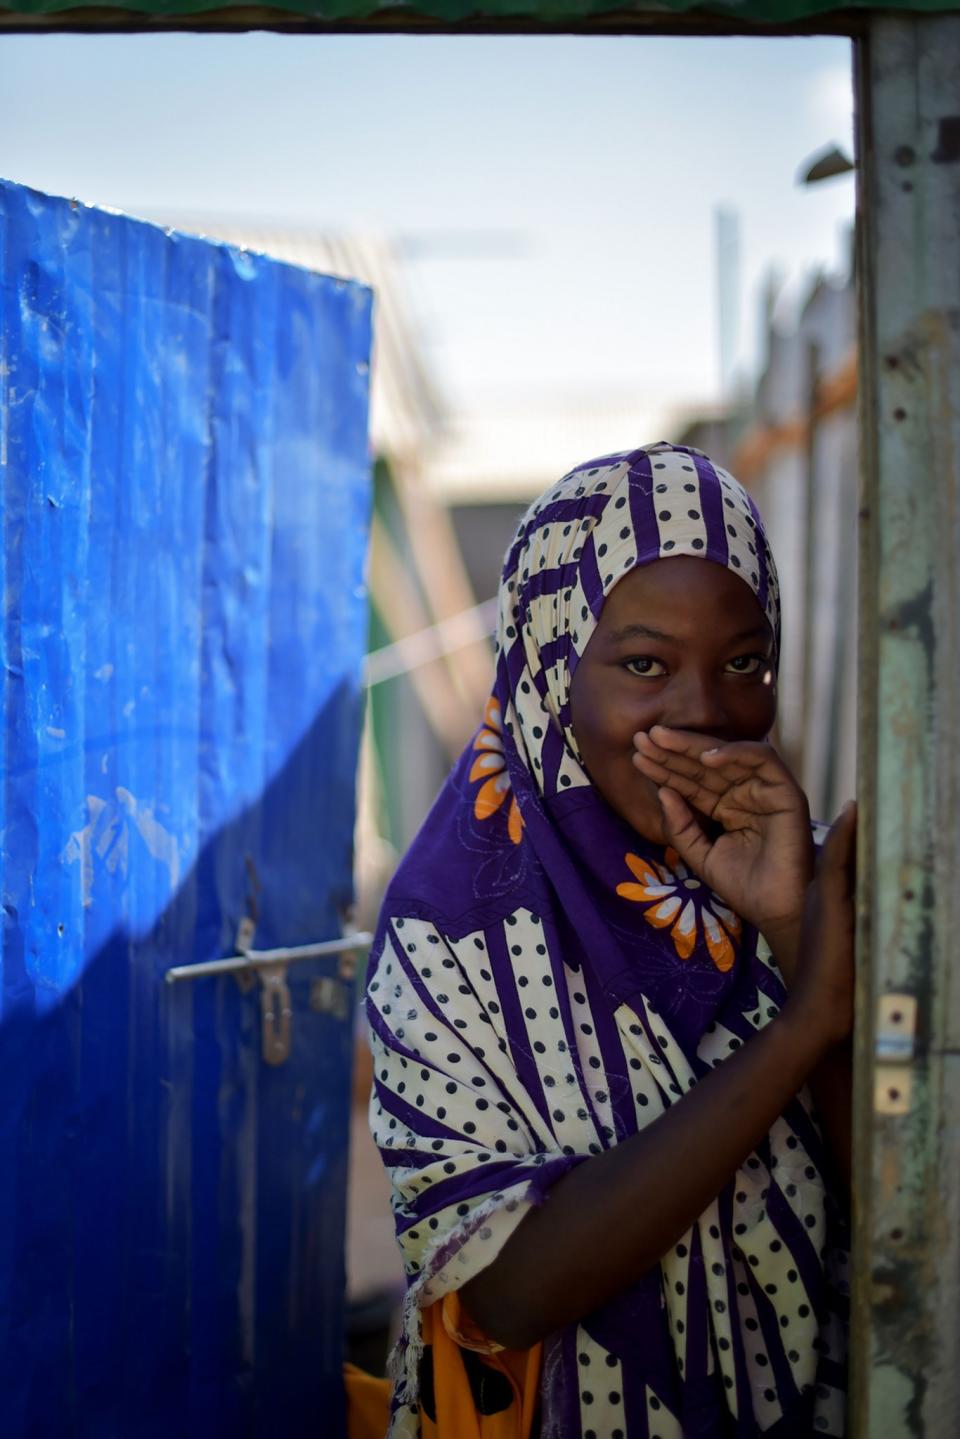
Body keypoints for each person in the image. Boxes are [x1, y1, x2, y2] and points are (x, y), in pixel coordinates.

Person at [365, 442, 855, 1439]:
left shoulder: (811, 888)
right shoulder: (451, 931)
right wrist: (801, 1029)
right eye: (643, 665)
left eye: (744, 662)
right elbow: (506, 1289)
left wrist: (795, 929)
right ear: (550, 665)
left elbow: (906, 1199)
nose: (706, 713)